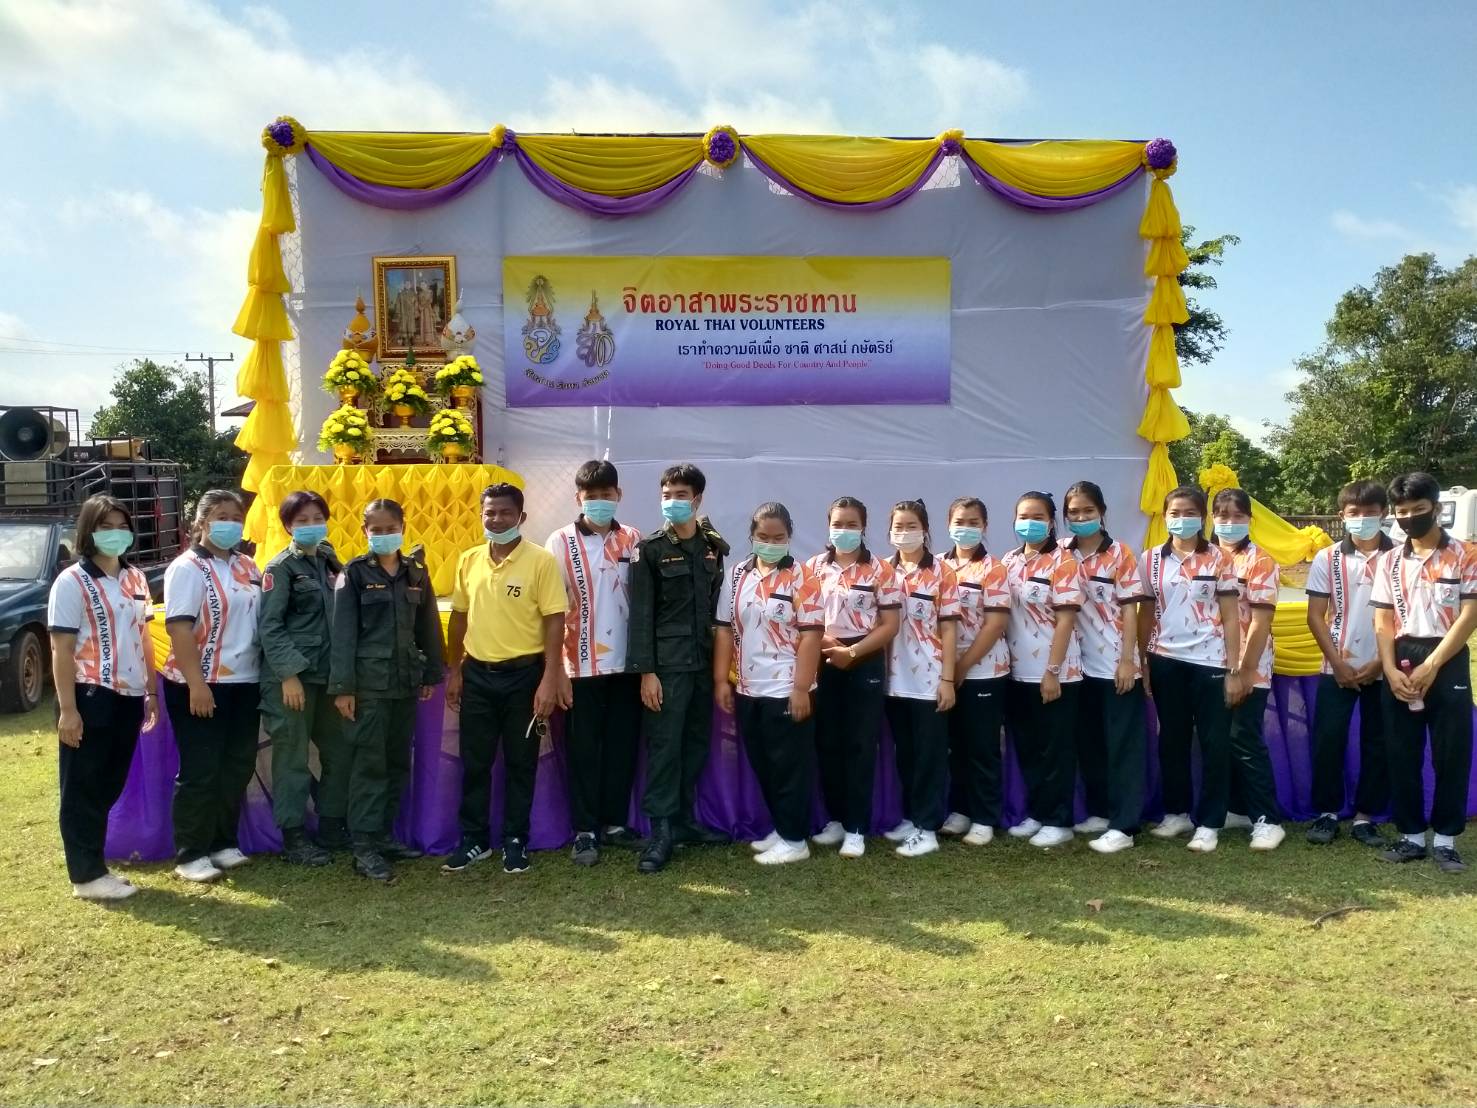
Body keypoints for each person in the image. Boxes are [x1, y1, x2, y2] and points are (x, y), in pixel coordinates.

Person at [443, 484, 568, 876]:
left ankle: (516, 839)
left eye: (505, 513)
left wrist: (549, 678)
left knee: (520, 762)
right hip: (477, 676)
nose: (496, 520)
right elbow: (458, 617)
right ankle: (474, 839)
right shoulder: (469, 560)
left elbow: (555, 621)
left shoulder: (541, 561)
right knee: (475, 762)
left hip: (524, 678)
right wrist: (455, 670)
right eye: (490, 513)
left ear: (521, 517)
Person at [47, 495, 158, 900]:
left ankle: (96, 867)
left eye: (121, 526)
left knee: (109, 783)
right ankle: (86, 876)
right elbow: (61, 648)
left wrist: (151, 690)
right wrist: (68, 710)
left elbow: (144, 637)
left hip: (129, 695)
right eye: (105, 527)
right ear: (88, 531)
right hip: (90, 692)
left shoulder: (135, 578)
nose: (115, 534)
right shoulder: (72, 581)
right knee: (83, 787)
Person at [329, 499, 445, 881]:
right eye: (375, 530)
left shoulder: (416, 572)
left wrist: (430, 674)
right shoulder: (354, 573)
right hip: (368, 688)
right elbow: (343, 634)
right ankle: (363, 847)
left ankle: (382, 836)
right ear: (364, 532)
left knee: (396, 762)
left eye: (390, 528)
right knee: (369, 765)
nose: (383, 535)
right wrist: (343, 688)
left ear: (403, 527)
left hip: (404, 684)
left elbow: (428, 626)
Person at [1371, 471, 1477, 874]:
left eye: (1418, 509)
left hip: (1446, 656)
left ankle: (1446, 840)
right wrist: (1388, 668)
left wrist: (1433, 664)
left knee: (1452, 750)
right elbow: (1382, 619)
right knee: (1401, 750)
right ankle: (1411, 836)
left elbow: (1470, 614)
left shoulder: (1466, 554)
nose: (1409, 517)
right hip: (1400, 657)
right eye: (1401, 512)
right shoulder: (1389, 560)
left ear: (1436, 508)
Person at [627, 464, 731, 874]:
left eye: (681, 495)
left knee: (695, 745)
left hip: (702, 664)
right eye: (667, 495)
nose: (672, 502)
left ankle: (685, 821)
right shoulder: (650, 550)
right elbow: (641, 616)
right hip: (666, 669)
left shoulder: (712, 546)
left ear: (698, 499)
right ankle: (661, 832)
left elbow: (718, 606)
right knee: (664, 748)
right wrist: (646, 672)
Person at [544, 459, 644, 866]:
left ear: (619, 495)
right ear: (578, 498)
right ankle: (585, 830)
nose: (600, 501)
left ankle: (615, 823)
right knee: (584, 748)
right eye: (592, 496)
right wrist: (557, 671)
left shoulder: (633, 539)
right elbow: (552, 609)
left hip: (627, 664)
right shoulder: (560, 541)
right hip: (579, 666)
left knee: (622, 745)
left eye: (607, 494)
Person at [714, 502, 825, 865]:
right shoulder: (738, 574)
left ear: (789, 537)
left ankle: (795, 840)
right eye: (763, 536)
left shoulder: (802, 577)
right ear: (752, 536)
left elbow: (811, 636)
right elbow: (724, 629)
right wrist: (721, 680)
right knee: (763, 762)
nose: (771, 543)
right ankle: (782, 826)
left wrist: (801, 688)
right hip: (748, 688)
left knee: (789, 766)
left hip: (787, 689)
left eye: (778, 537)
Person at [162, 490, 262, 883]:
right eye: (221, 516)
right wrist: (196, 684)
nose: (230, 523)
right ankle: (191, 853)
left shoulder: (247, 565)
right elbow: (179, 628)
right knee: (201, 769)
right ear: (201, 522)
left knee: (237, 765)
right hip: (202, 682)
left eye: (236, 516)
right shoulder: (187, 568)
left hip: (245, 681)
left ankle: (223, 842)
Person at [1138, 486, 1244, 853]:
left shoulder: (1219, 558)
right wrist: (1143, 659)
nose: (1181, 519)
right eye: (1175, 513)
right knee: (1172, 738)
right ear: (1165, 516)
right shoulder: (1151, 559)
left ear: (1202, 517)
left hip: (1210, 661)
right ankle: (1177, 813)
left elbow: (1231, 616)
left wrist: (1234, 669)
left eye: (1189, 513)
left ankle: (1210, 822)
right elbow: (1146, 613)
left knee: (1214, 742)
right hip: (1165, 660)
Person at [805, 496, 902, 858]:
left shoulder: (880, 570)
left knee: (860, 744)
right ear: (828, 526)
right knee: (828, 741)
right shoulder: (813, 568)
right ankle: (835, 818)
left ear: (863, 527)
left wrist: (853, 653)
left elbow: (890, 624)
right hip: (823, 656)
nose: (843, 531)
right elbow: (805, 618)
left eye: (851, 524)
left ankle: (856, 827)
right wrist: (829, 646)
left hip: (865, 659)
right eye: (837, 524)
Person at [1304, 480, 1394, 846]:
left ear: (1383, 513)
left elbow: (1405, 617)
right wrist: (1337, 664)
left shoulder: (1400, 555)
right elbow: (1315, 615)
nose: (1363, 519)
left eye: (1370, 512)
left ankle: (1365, 817)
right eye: (1354, 513)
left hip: (1386, 666)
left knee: (1378, 741)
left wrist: (1381, 663)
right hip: (1337, 665)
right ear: (1342, 516)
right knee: (1328, 738)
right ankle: (1326, 814)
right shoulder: (1327, 557)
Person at [258, 491, 344, 866]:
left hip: (329, 677)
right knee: (292, 758)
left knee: (339, 751)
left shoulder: (329, 560)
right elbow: (270, 626)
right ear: (288, 526)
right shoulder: (280, 568)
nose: (311, 526)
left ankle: (332, 826)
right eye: (302, 520)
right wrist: (288, 675)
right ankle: (293, 837)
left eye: (317, 518)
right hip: (292, 680)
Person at [1061, 481, 1147, 854]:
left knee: (1123, 747)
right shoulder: (1060, 553)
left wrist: (1128, 660)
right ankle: (1100, 811)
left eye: (1088, 511)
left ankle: (1124, 826)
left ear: (1102, 513)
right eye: (1074, 512)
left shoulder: (1119, 554)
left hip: (1114, 664)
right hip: (1077, 667)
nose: (1081, 517)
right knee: (1090, 743)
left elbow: (1130, 609)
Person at [1002, 491, 1085, 849]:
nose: (1029, 523)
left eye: (1038, 517)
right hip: (1016, 671)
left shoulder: (1063, 562)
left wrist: (1052, 670)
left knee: (1056, 749)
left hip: (1056, 672)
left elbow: (1066, 620)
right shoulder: (1008, 561)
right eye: (1023, 516)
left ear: (1051, 522)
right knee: (1030, 746)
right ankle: (1037, 812)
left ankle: (1058, 820)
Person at [1210, 488, 1286, 851]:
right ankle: (1236, 809)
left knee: (1244, 737)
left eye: (1238, 516)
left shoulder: (1260, 561)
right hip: (1209, 663)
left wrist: (1243, 671)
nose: (1230, 523)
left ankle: (1267, 819)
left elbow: (1260, 621)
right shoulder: (1203, 557)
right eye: (1223, 516)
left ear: (1250, 520)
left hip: (1248, 664)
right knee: (1218, 738)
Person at [882, 500, 959, 858]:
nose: (904, 533)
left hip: (930, 678)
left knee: (930, 755)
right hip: (892, 679)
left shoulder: (943, 572)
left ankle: (928, 828)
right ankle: (912, 818)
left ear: (925, 529)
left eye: (911, 526)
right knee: (906, 753)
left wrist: (947, 679)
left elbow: (950, 628)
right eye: (898, 526)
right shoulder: (882, 571)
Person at [939, 497, 1010, 848]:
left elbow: (995, 624)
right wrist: (948, 670)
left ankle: (984, 817)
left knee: (982, 746)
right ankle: (961, 809)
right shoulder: (937, 565)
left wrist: (963, 666)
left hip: (984, 670)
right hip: (945, 671)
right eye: (959, 521)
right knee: (955, 743)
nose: (965, 528)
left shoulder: (993, 568)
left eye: (973, 522)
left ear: (985, 526)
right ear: (948, 525)